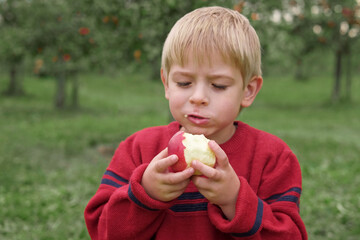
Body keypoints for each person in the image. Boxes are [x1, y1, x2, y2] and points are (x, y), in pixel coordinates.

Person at [84, 6, 307, 240]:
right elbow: (102, 231)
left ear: (248, 90)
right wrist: (144, 194)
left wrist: (235, 200)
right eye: (183, 82)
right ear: (166, 83)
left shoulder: (273, 158)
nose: (198, 97)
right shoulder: (139, 149)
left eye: (218, 85)